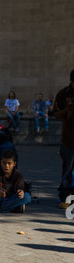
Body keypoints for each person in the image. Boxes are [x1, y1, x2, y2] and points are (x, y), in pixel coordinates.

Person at [53, 69, 74, 209]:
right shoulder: (63, 94)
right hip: (68, 139)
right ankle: (65, 197)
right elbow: (55, 113)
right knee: (68, 169)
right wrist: (67, 111)